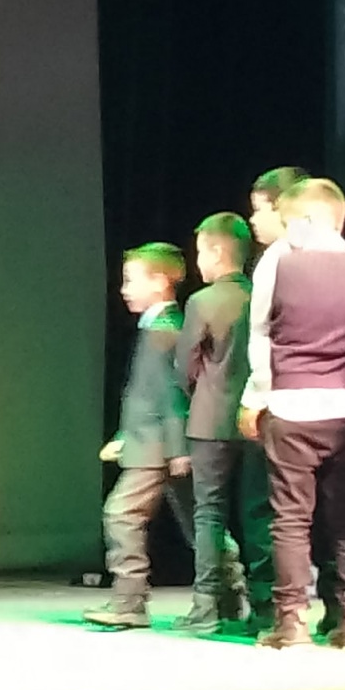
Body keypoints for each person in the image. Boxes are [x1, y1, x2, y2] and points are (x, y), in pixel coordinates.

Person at [238, 178, 345, 650]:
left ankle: (291, 619)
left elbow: (261, 333)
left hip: (292, 404)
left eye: (291, 220)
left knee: (291, 518)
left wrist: (256, 397)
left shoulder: (280, 265)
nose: (286, 230)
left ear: (313, 219)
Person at [85, 243, 211, 628]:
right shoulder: (156, 328)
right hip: (151, 443)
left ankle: (130, 600)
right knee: (200, 523)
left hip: (158, 447)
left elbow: (172, 395)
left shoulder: (164, 331)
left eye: (131, 280)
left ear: (160, 282)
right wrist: (125, 435)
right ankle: (226, 595)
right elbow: (148, 392)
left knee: (121, 514)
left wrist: (177, 450)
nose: (124, 289)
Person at [173, 213, 276, 636]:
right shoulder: (259, 294)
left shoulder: (203, 301)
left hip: (209, 420)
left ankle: (208, 605)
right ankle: (265, 605)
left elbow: (184, 366)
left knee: (209, 514)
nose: (198, 261)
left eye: (201, 252)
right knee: (259, 513)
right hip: (256, 418)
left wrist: (199, 391)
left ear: (217, 252)